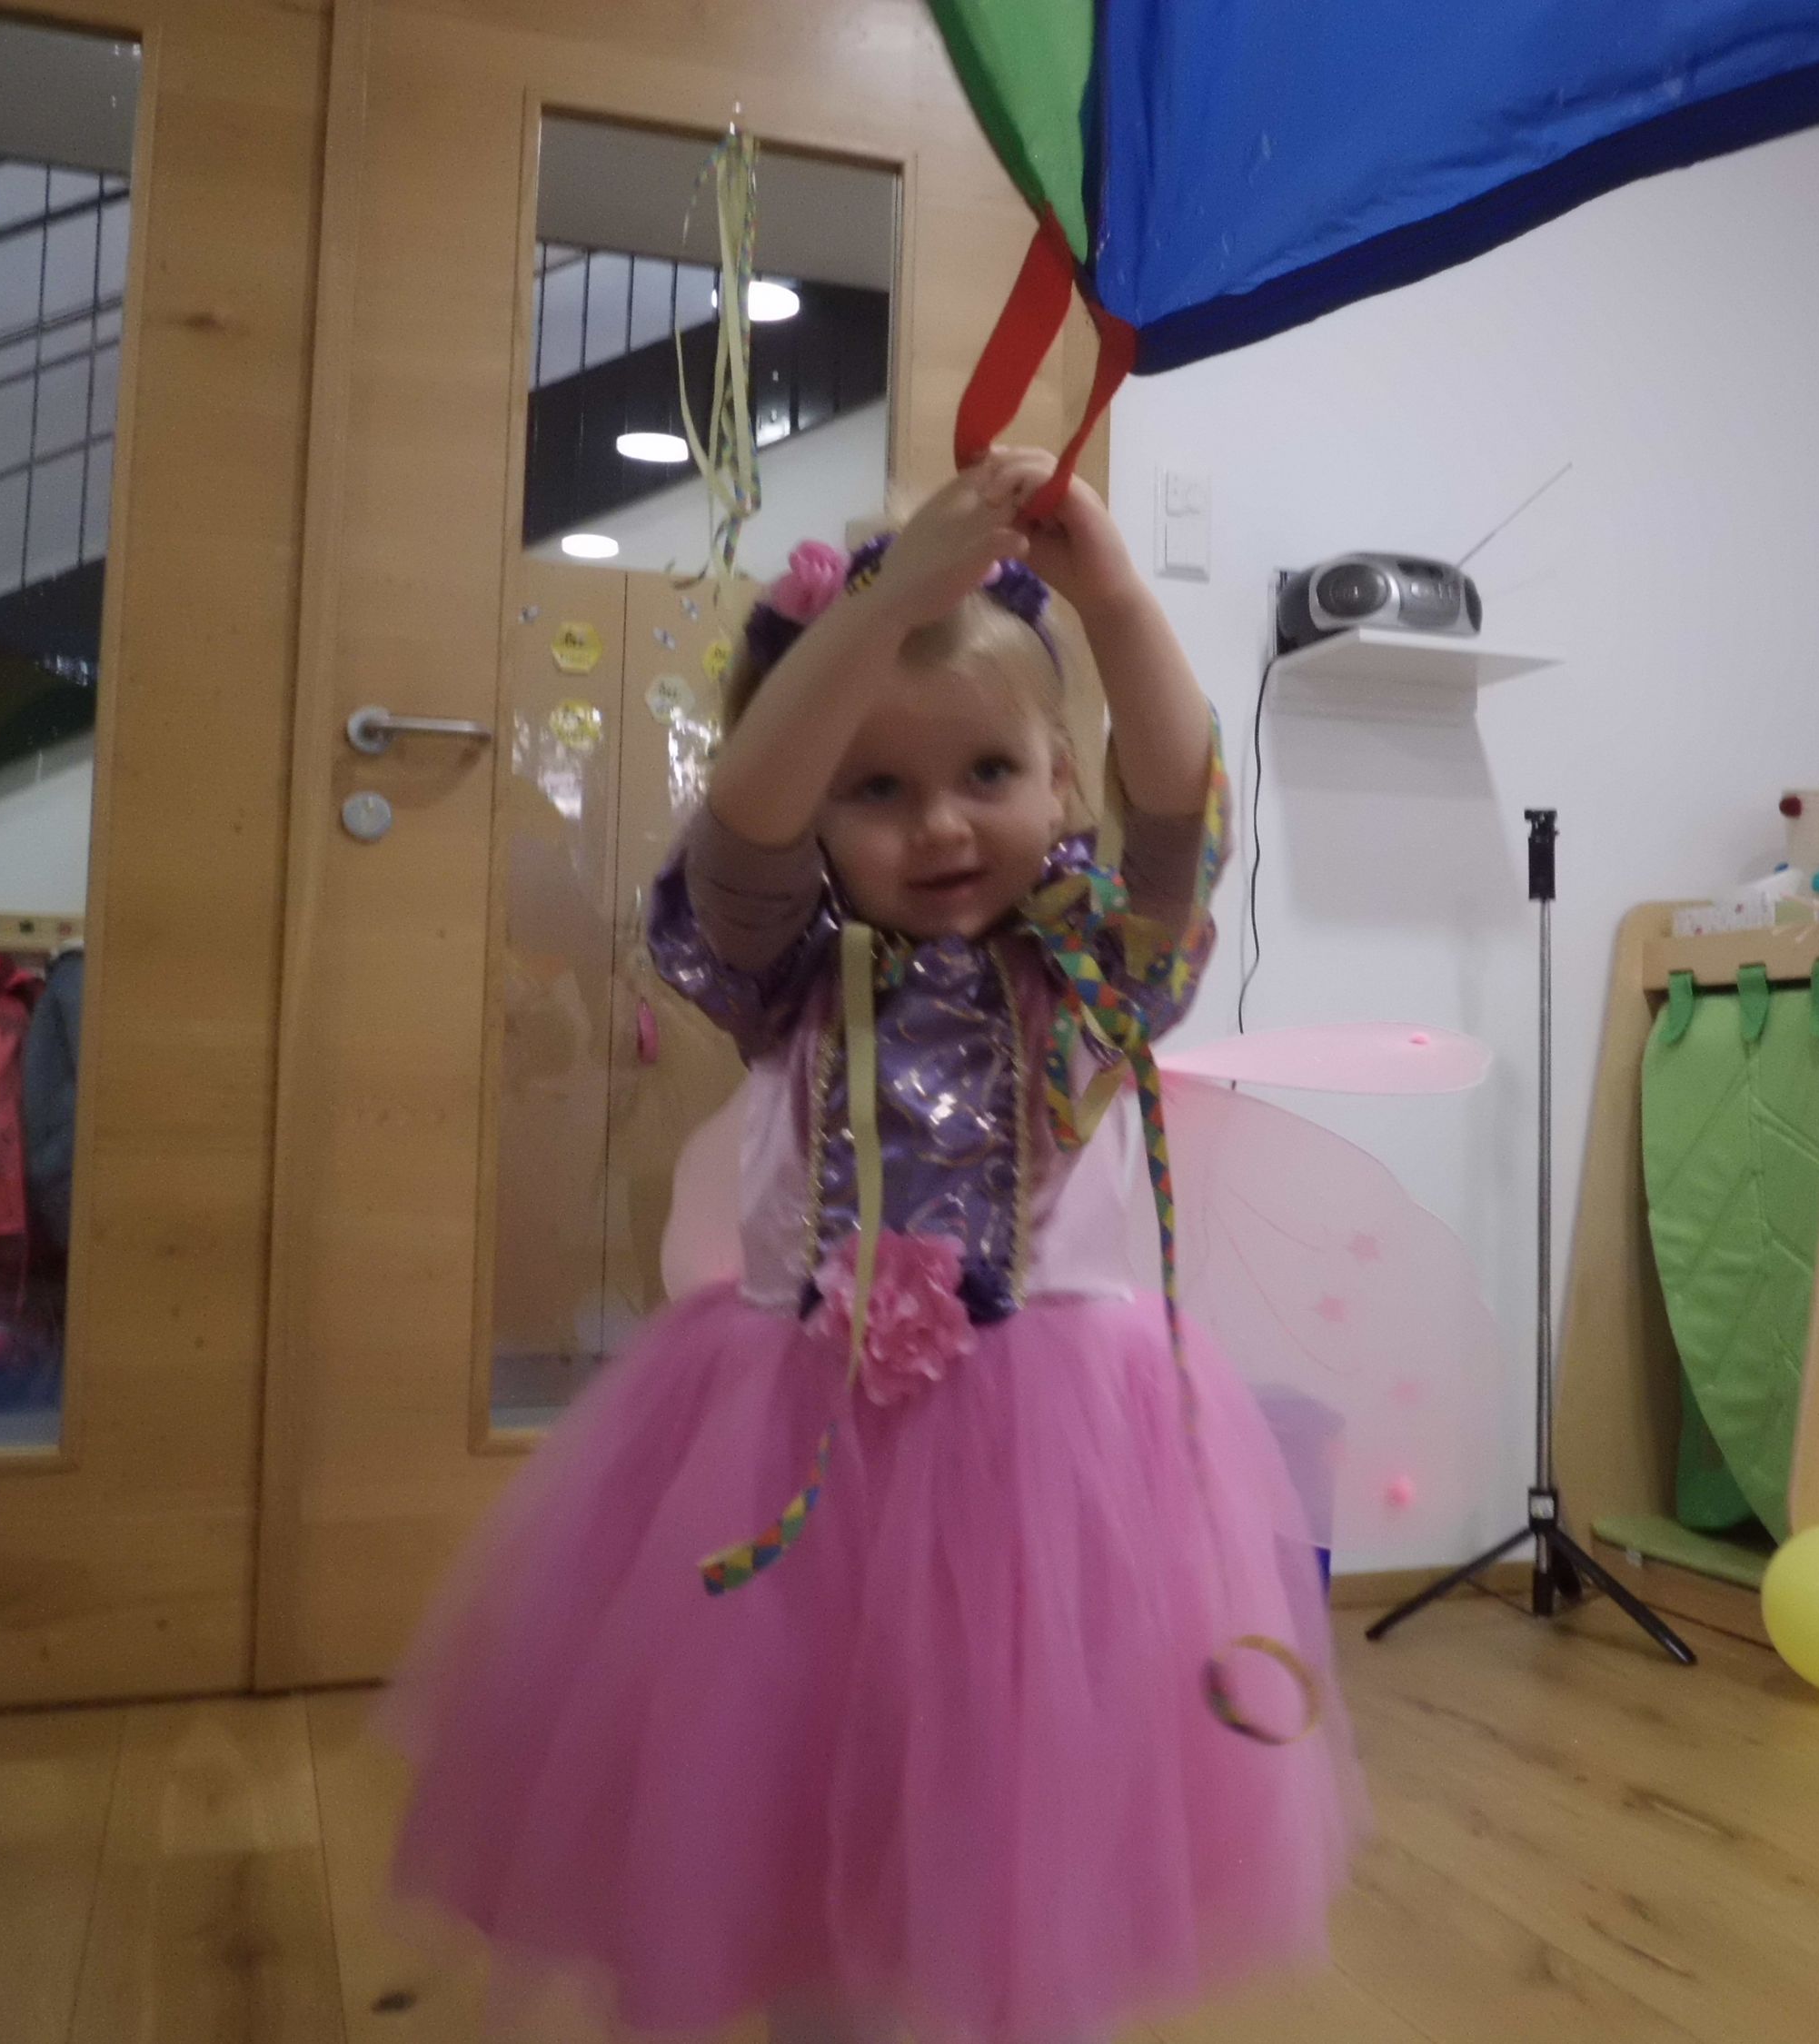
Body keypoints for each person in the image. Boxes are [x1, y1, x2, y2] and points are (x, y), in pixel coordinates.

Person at [384, 448, 1356, 2044]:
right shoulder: (782, 967)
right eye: (878, 789)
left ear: (1061, 780)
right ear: (820, 810)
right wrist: (881, 610)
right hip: (790, 1453)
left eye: (989, 771)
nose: (943, 824)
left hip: (1047, 1466)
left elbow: (1184, 808)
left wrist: (1115, 592)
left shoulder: (1093, 969)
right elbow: (739, 840)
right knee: (796, 1777)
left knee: (1024, 1798)